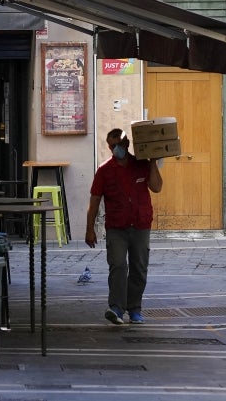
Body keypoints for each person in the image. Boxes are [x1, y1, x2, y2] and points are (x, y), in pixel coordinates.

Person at [85, 128, 162, 325]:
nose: (115, 149)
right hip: (116, 227)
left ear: (126, 144)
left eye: (117, 145)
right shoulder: (104, 171)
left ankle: (134, 308)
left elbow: (157, 187)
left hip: (140, 224)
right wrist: (89, 229)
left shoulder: (141, 165)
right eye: (111, 146)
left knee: (139, 268)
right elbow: (94, 201)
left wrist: (153, 162)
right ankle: (116, 308)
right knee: (118, 265)